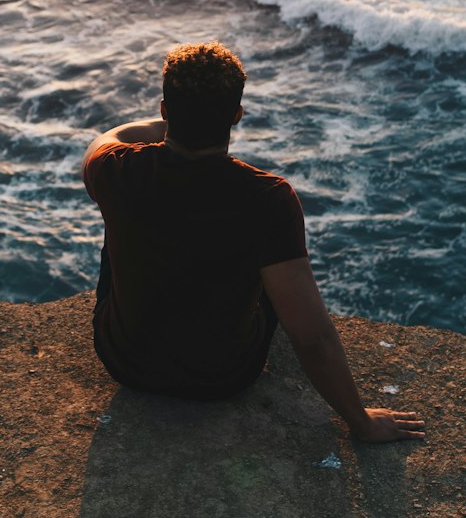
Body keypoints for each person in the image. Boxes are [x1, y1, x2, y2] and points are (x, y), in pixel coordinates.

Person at [82, 41, 424, 443]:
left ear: (163, 109)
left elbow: (109, 137)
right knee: (270, 267)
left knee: (120, 223)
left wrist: (172, 124)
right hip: (222, 375)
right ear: (237, 116)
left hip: (125, 361)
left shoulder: (113, 169)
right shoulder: (269, 198)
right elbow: (310, 335)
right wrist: (360, 421)